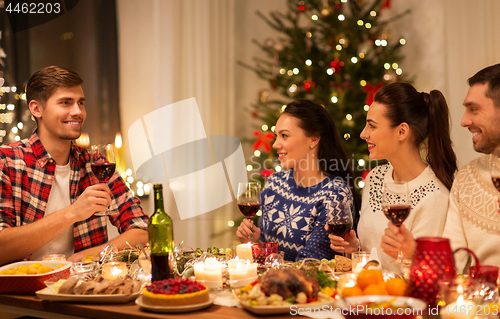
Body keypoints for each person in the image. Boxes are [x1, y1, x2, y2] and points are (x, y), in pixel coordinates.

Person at [0, 66, 149, 265]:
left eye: (81, 103)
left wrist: (91, 255)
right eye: (65, 103)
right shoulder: (8, 161)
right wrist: (72, 213)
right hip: (23, 292)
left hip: (82, 288)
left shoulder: (95, 164)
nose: (78, 112)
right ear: (36, 109)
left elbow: (143, 230)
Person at [328, 82, 457, 273]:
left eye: (372, 126)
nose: (363, 134)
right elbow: (373, 256)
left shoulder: (435, 198)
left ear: (402, 132)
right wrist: (354, 249)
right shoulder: (374, 178)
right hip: (366, 295)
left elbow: (424, 274)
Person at [383, 64, 500, 273]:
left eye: (474, 109)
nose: (464, 121)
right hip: (481, 305)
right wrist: (414, 253)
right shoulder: (467, 179)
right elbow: (450, 269)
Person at [236, 99, 360, 261]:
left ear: (314, 139)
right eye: (276, 136)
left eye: (284, 136)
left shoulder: (334, 193)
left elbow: (310, 265)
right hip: (270, 283)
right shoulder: (274, 183)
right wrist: (256, 242)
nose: (275, 144)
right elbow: (267, 258)